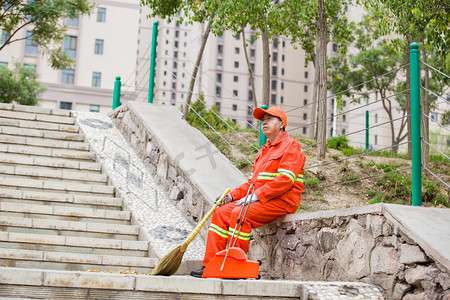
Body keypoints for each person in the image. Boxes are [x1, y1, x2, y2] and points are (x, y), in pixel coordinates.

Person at [190, 106, 306, 278]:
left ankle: (236, 266)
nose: (264, 121)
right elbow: (252, 184)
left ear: (282, 124)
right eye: (263, 119)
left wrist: (256, 196)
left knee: (239, 214)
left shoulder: (291, 147)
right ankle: (211, 266)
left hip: (282, 201)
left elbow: (285, 180)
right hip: (262, 199)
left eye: (270, 118)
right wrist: (232, 196)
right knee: (221, 213)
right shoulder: (263, 151)